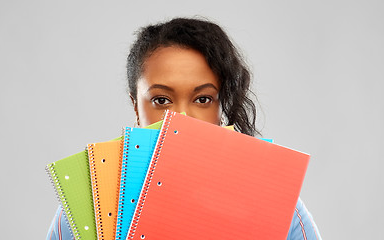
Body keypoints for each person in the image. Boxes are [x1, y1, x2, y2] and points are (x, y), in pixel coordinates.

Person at [47, 17, 322, 240]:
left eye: (202, 99)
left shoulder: (280, 208)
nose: (180, 118)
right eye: (161, 100)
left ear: (219, 107)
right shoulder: (88, 205)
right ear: (135, 107)